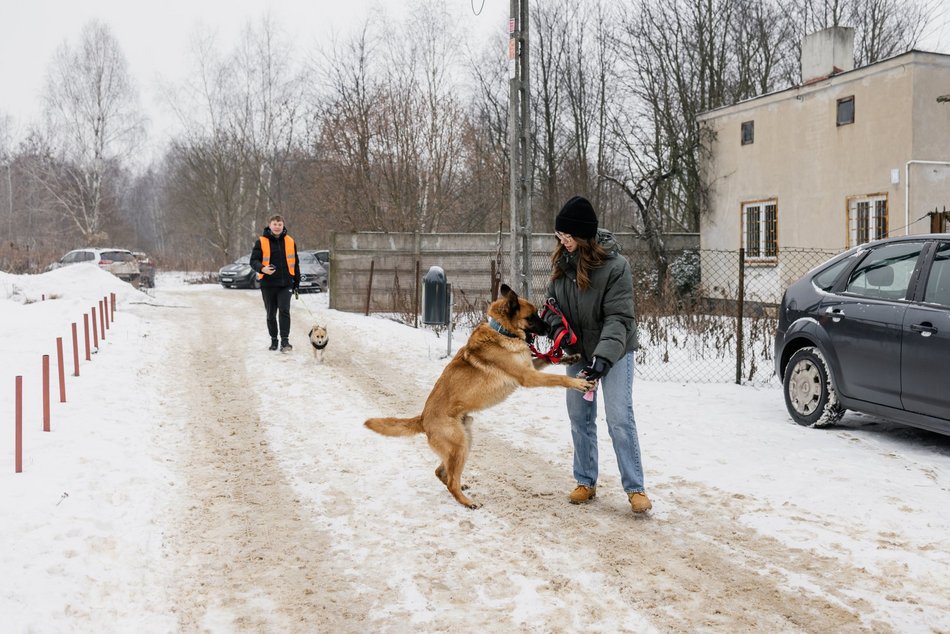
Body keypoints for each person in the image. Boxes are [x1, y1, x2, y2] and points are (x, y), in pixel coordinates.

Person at [543, 195, 651, 514]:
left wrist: (601, 362)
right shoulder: (562, 266)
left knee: (619, 417)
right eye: (559, 235)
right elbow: (551, 306)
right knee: (579, 416)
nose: (562, 241)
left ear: (583, 235)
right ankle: (585, 481)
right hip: (579, 353)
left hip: (613, 353)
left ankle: (635, 488)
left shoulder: (616, 267)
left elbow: (619, 319)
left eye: (568, 235)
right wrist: (555, 328)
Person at [250, 214, 300, 351]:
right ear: (269, 225)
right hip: (268, 284)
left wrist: (296, 281)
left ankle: (285, 341)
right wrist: (262, 268)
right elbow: (253, 261)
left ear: (283, 225)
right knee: (271, 314)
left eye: (280, 224)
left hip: (286, 284)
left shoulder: (290, 241)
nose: (277, 227)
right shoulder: (261, 241)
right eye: (274, 224)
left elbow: (295, 263)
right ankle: (274, 340)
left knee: (284, 310)